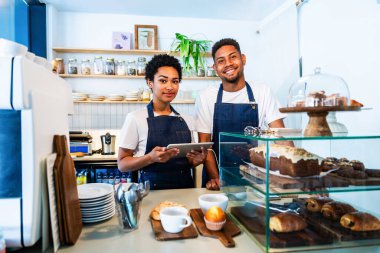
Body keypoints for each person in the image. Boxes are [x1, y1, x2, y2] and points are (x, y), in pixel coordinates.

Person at [195, 38, 287, 190]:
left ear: (243, 59)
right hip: (216, 177)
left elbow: (281, 137)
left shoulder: (262, 91)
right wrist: (217, 178)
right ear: (215, 68)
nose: (228, 64)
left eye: (233, 57)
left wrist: (298, 175)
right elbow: (205, 145)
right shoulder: (206, 96)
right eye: (221, 61)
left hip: (252, 176)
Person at [118, 54, 207, 190]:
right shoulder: (135, 118)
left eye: (175, 81)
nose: (170, 87)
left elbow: (187, 161)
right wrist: (150, 158)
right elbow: (122, 164)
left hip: (185, 193)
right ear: (150, 82)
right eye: (163, 81)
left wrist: (194, 161)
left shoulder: (187, 120)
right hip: (150, 194)